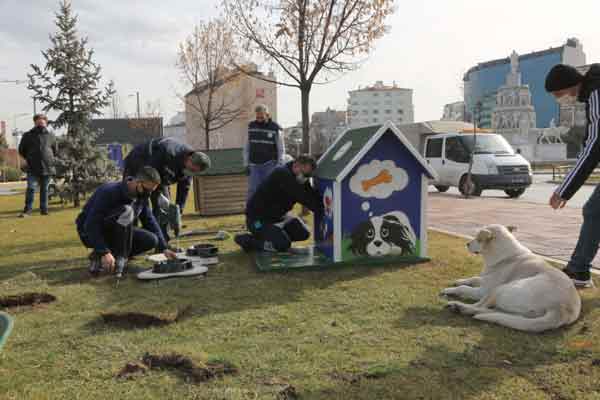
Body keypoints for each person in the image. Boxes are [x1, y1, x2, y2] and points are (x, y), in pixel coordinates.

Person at [545, 63, 600, 288]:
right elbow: (590, 142)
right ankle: (578, 270)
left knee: (594, 211)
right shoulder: (592, 94)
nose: (560, 99)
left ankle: (578, 271)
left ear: (571, 85)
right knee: (594, 211)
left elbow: (595, 146)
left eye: (559, 94)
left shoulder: (596, 93)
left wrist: (563, 190)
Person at [76, 166, 176, 276]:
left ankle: (104, 257)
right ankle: (114, 258)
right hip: (89, 232)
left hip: (119, 231)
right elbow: (91, 224)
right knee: (127, 211)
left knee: (151, 240)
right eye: (147, 190)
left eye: (151, 191)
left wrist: (164, 248)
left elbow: (149, 220)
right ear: (137, 182)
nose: (149, 194)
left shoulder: (142, 196)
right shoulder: (109, 192)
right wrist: (104, 251)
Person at [123, 137, 211, 239]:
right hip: (139, 162)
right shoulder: (168, 151)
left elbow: (184, 189)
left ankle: (162, 242)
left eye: (194, 172)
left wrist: (177, 215)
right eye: (190, 169)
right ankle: (129, 240)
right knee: (135, 203)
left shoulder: (190, 165)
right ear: (189, 159)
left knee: (164, 208)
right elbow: (149, 173)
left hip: (161, 173)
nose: (190, 172)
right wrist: (144, 196)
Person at [234, 155, 323, 253]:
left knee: (303, 233)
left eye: (308, 175)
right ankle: (247, 240)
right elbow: (303, 197)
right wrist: (326, 211)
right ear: (296, 165)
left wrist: (324, 203)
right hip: (257, 221)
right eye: (305, 175)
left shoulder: (298, 177)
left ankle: (271, 237)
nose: (306, 178)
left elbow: (309, 192)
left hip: (277, 218)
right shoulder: (282, 174)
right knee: (283, 244)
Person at [18, 114, 57, 217]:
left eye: (43, 122)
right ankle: (27, 210)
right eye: (39, 122)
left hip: (47, 167)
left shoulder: (51, 136)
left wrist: (49, 159)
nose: (41, 123)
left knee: (44, 189)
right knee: (31, 188)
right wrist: (29, 159)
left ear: (46, 123)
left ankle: (44, 210)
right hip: (32, 167)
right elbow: (21, 150)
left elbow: (55, 150)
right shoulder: (27, 135)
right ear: (35, 122)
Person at [243, 104, 285, 200]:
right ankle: (251, 212)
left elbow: (281, 148)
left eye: (261, 116)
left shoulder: (275, 127)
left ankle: (270, 211)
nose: (259, 118)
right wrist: (246, 164)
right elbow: (247, 147)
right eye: (257, 116)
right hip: (253, 165)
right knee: (252, 190)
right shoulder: (251, 126)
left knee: (270, 189)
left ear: (267, 115)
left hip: (270, 164)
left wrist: (279, 164)